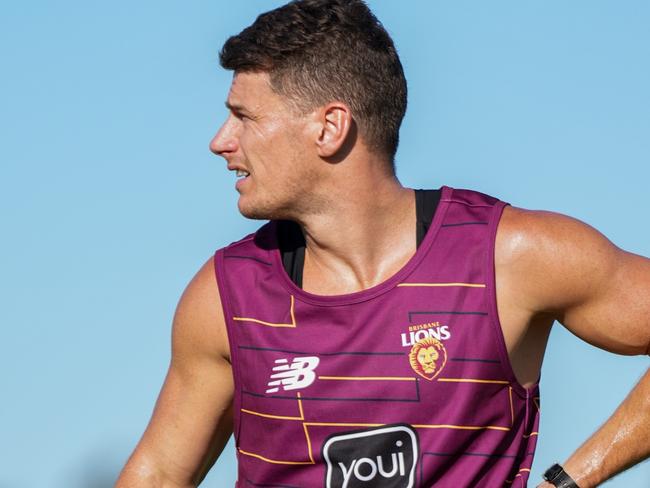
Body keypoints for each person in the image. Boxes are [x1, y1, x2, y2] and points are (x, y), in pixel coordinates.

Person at [116, 0, 650, 486]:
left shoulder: (508, 256)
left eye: (244, 117)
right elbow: (159, 472)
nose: (220, 142)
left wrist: (571, 480)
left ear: (329, 128)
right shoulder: (225, 294)